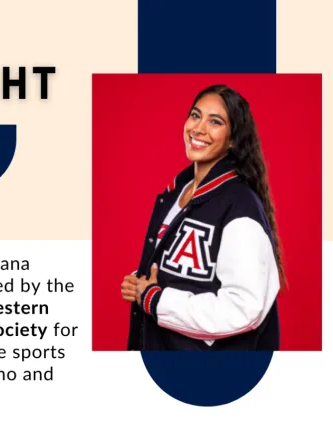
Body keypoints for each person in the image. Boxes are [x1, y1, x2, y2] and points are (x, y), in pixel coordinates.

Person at [121, 84, 284, 351]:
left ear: (233, 139)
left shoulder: (240, 206)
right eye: (195, 115)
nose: (198, 129)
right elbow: (190, 271)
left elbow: (243, 307)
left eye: (215, 121)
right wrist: (139, 282)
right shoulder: (175, 194)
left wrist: (155, 299)